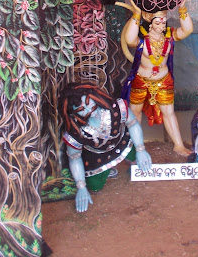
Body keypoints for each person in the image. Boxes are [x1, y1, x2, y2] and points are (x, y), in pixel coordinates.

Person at [120, 0, 193, 157]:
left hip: (163, 80)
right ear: (149, 21)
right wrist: (136, 14)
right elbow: (129, 39)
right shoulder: (142, 39)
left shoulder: (169, 36)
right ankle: (134, 146)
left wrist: (182, 9)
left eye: (164, 21)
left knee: (169, 112)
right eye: (158, 22)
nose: (162, 25)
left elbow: (187, 30)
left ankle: (178, 145)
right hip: (141, 80)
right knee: (135, 112)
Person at [59, 82, 152, 212]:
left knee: (136, 158)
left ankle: (131, 158)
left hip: (122, 143)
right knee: (95, 186)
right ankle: (106, 171)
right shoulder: (75, 131)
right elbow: (74, 157)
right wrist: (81, 187)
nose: (88, 110)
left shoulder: (117, 107)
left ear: (95, 96)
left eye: (88, 103)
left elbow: (133, 124)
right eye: (81, 110)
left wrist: (141, 149)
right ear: (73, 114)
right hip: (96, 157)